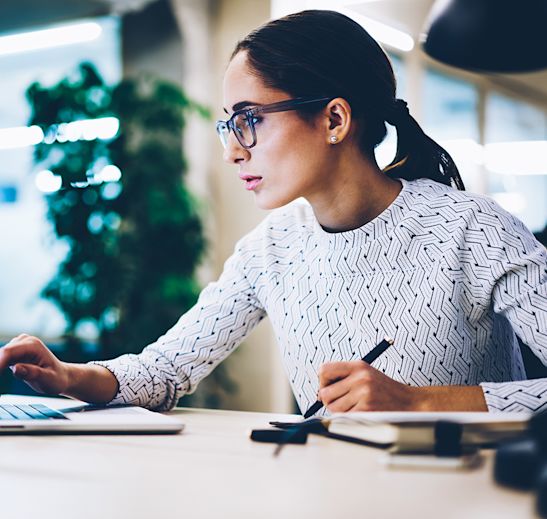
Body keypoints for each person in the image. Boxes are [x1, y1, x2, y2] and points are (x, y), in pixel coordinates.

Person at [1, 10, 546, 415]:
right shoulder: (272, 247)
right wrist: (70, 375)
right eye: (228, 124)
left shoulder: (475, 229)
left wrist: (420, 402)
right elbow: (166, 370)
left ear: (334, 119)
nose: (232, 149)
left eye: (250, 118)